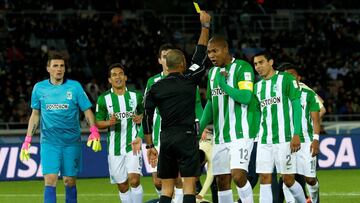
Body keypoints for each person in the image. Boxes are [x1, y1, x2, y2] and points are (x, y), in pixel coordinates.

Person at [142, 10, 211, 203]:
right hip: (187, 137)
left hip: (166, 138)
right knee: (188, 187)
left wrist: (150, 145)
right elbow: (200, 55)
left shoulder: (154, 87)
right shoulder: (189, 79)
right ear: (182, 63)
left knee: (166, 189)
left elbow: (147, 117)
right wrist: (205, 26)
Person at [19, 53, 101, 203]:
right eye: (55, 66)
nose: (59, 69)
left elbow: (87, 110)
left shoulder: (75, 87)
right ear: (48, 68)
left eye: (62, 66)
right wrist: (27, 140)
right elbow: (35, 114)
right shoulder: (39, 88)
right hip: (49, 142)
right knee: (50, 179)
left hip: (71, 142)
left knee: (69, 181)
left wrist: (94, 131)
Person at [199, 35, 258, 203]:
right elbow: (211, 103)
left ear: (225, 50)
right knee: (222, 181)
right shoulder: (212, 73)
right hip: (221, 136)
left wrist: (224, 85)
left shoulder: (242, 68)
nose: (211, 55)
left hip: (240, 133)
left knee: (238, 176)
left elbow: (246, 97)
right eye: (209, 52)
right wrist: (199, 128)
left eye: (215, 51)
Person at [252, 51, 306, 203]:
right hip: (264, 139)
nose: (258, 67)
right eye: (255, 64)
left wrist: (296, 133)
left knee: (288, 179)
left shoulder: (286, 79)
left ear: (270, 62)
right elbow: (257, 115)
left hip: (285, 138)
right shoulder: (257, 87)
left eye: (261, 62)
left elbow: (296, 106)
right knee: (265, 177)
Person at [95, 63, 144, 203]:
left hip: (133, 145)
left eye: (120, 74)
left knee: (134, 180)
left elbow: (145, 115)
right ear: (109, 80)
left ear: (125, 77)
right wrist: (108, 123)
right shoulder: (103, 99)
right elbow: (98, 123)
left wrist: (140, 118)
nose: (118, 77)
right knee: (122, 186)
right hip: (114, 149)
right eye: (114, 75)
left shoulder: (136, 97)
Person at [279, 63, 323, 203]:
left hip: (306, 141)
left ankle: (315, 199)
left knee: (310, 180)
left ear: (298, 77)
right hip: (286, 141)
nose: (290, 78)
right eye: (286, 75)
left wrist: (316, 139)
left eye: (292, 74)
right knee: (287, 178)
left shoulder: (308, 94)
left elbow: (316, 119)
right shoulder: (279, 95)